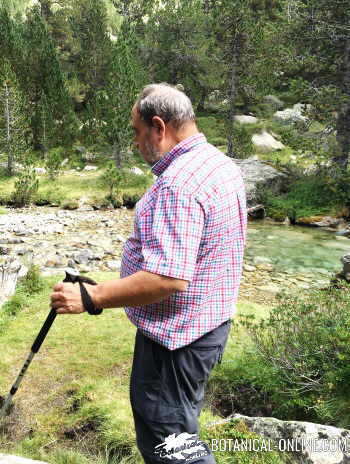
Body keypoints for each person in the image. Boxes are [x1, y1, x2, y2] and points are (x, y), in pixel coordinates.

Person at [50, 83, 247, 463]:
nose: (137, 143)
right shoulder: (217, 163)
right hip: (207, 324)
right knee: (179, 427)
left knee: (167, 439)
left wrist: (92, 297)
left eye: (138, 133)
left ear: (159, 126)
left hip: (177, 340)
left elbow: (167, 279)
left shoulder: (177, 184)